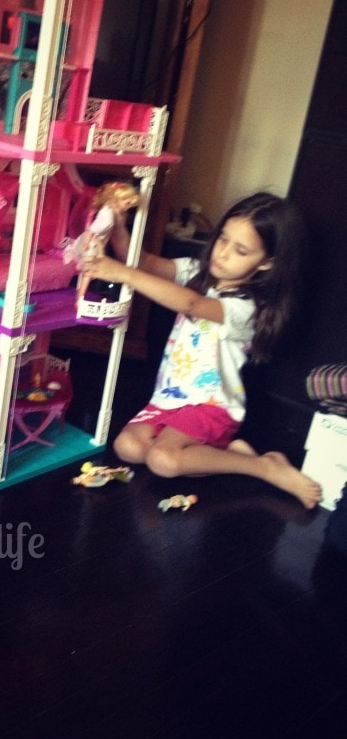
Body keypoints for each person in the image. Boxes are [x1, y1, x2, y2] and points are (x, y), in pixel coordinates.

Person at [81, 192, 323, 509]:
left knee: (163, 460)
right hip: (169, 400)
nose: (222, 253)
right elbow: (146, 263)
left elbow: (191, 303)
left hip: (212, 407)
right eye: (223, 238)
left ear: (266, 263)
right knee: (127, 447)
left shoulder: (246, 308)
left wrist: (121, 273)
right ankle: (223, 453)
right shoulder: (198, 271)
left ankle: (263, 466)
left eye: (240, 250)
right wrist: (118, 229)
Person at [65, 181, 139, 307]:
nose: (128, 207)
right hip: (93, 244)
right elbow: (92, 231)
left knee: (89, 272)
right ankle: (79, 300)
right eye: (127, 203)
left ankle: (79, 298)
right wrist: (91, 245)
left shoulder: (109, 209)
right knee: (89, 272)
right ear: (117, 200)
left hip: (96, 243)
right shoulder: (108, 217)